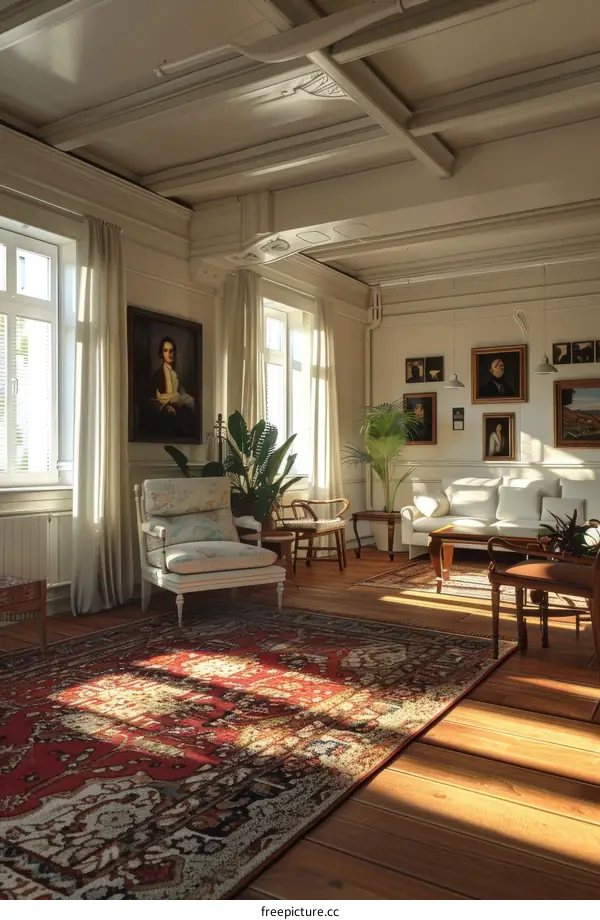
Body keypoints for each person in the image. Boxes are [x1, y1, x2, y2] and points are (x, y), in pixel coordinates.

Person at [148, 336, 196, 437]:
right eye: (166, 351)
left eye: (171, 351)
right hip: (164, 416)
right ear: (162, 353)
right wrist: (165, 407)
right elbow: (152, 399)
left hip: (178, 412)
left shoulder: (175, 374)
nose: (169, 354)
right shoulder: (157, 375)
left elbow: (180, 395)